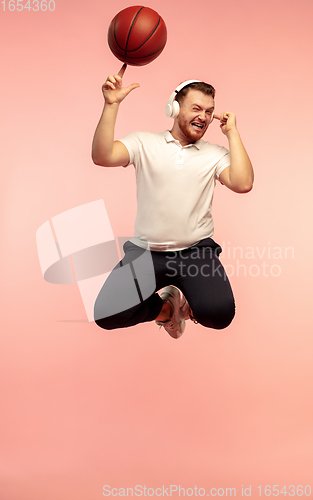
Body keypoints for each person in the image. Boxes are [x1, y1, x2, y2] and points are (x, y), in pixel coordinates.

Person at [92, 64, 254, 339]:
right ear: (174, 108)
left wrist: (232, 133)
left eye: (209, 111)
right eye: (196, 108)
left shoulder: (214, 154)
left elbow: (243, 183)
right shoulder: (144, 143)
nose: (204, 116)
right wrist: (110, 106)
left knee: (219, 314)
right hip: (146, 252)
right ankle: (167, 310)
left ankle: (189, 305)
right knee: (106, 314)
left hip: (195, 253)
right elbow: (103, 155)